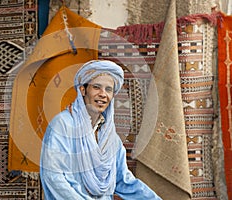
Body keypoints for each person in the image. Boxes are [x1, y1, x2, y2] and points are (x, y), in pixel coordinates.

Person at [40, 60, 161, 199]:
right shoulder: (62, 125)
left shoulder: (111, 137)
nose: (103, 94)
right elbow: (54, 177)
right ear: (83, 90)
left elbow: (123, 181)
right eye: (96, 87)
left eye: (108, 89)